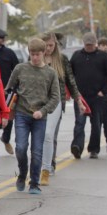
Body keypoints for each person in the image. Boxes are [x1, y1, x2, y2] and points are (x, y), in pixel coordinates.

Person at [4, 38, 60, 194]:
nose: (35, 57)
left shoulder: (50, 73)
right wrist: (7, 110)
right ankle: (22, 173)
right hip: (22, 114)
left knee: (37, 151)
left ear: (44, 53)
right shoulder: (20, 68)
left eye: (38, 54)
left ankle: (34, 183)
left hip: (39, 117)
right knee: (21, 148)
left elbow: (55, 97)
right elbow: (9, 90)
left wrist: (43, 111)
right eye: (32, 54)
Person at [39, 32, 81, 186]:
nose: (49, 48)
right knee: (40, 135)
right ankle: (39, 163)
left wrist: (79, 100)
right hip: (37, 103)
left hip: (56, 102)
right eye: (46, 46)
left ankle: (48, 166)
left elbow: (70, 81)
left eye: (52, 45)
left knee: (50, 134)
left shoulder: (61, 60)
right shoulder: (36, 58)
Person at [69, 32, 107, 159]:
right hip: (80, 97)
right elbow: (70, 74)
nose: (89, 47)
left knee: (96, 123)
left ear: (95, 44)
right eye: (86, 44)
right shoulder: (77, 56)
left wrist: (104, 91)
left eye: (91, 45)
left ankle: (94, 148)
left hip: (97, 96)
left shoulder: (103, 57)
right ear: (83, 44)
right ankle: (77, 147)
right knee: (79, 122)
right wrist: (72, 91)